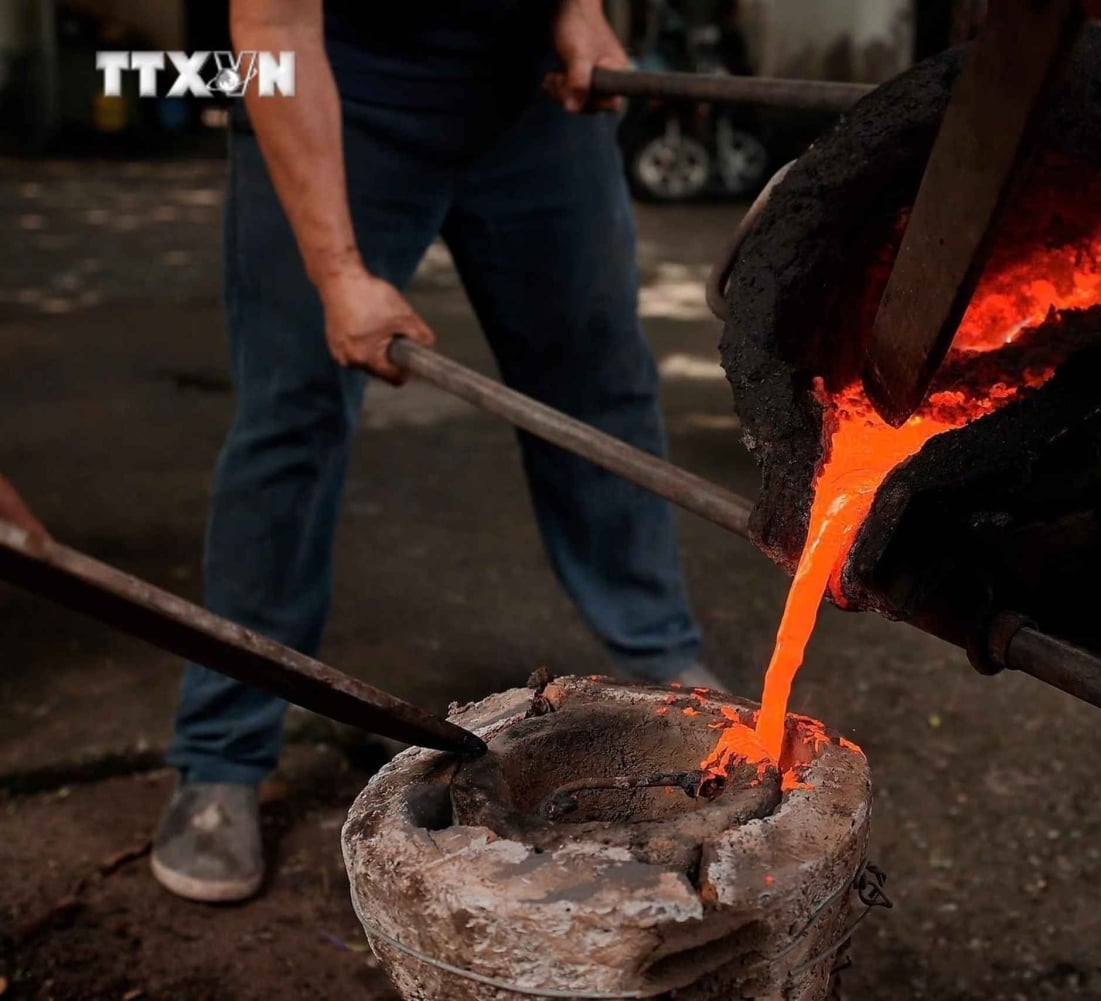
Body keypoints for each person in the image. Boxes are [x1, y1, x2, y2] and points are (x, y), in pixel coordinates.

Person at [151, 0, 718, 904]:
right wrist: (339, 273)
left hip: (521, 94)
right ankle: (223, 752)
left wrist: (575, 11)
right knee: (289, 415)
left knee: (599, 382)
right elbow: (274, 30)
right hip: (333, 76)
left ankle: (660, 664)